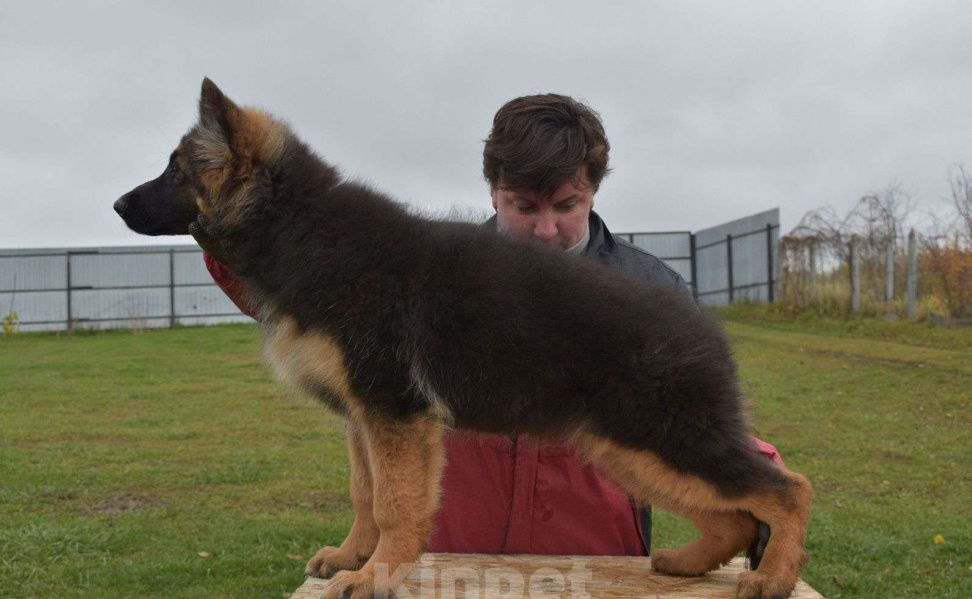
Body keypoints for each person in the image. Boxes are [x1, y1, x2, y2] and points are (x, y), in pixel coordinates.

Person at [199, 93, 783, 559]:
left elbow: (686, 413)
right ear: (493, 191)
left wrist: (745, 469)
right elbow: (314, 311)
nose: (547, 229)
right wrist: (230, 231)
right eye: (523, 207)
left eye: (567, 205)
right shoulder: (424, 271)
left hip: (596, 556)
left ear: (594, 189)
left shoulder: (651, 291)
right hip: (460, 554)